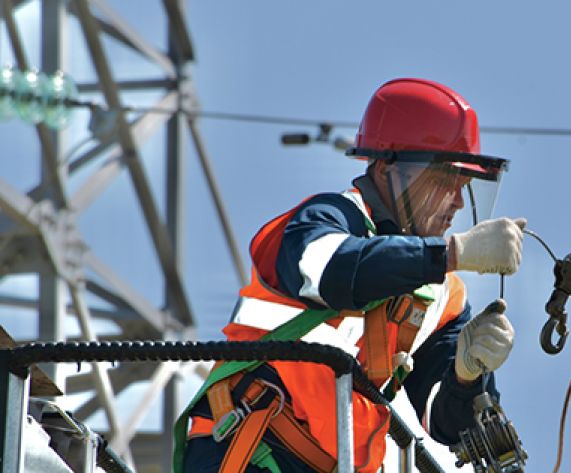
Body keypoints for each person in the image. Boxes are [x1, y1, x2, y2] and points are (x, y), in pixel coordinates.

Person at [178, 78, 525, 473]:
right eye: (446, 180)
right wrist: (450, 254)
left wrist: (467, 375)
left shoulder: (442, 297)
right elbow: (330, 272)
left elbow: (448, 424)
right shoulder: (327, 220)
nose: (459, 202)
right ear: (389, 169)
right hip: (248, 445)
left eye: (465, 185)